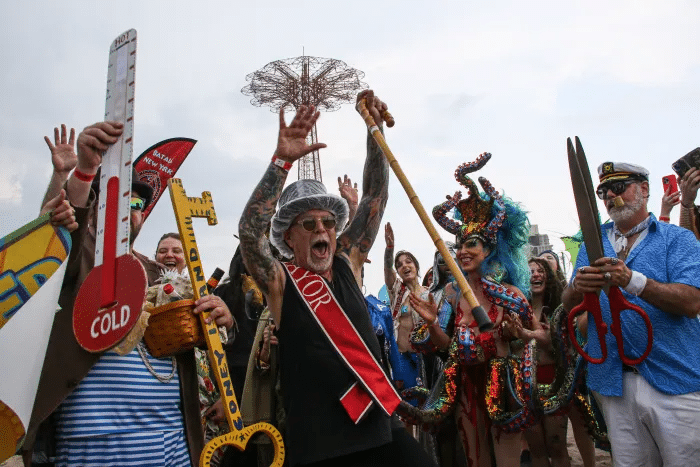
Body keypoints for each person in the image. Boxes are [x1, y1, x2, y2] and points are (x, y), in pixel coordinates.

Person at [238, 90, 437, 467]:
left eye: (328, 223)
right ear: (289, 237)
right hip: (318, 443)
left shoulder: (350, 262)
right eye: (308, 224)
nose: (322, 230)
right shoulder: (280, 281)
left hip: (377, 425)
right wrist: (281, 162)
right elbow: (250, 233)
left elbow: (376, 194)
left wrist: (374, 133)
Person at [23, 121, 232, 467]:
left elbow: (203, 330)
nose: (130, 209)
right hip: (98, 444)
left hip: (173, 443)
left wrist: (223, 316)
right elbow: (56, 242)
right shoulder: (83, 259)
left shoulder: (157, 273)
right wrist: (84, 170)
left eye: (137, 204)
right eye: (118, 199)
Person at [562, 161, 700, 465]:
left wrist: (633, 281)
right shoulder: (592, 240)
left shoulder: (677, 239)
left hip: (674, 381)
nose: (610, 195)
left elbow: (692, 302)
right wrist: (576, 289)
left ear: (644, 189)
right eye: (603, 191)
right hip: (613, 383)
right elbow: (570, 301)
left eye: (618, 186)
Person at [414, 153, 534, 467]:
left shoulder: (509, 294)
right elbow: (446, 348)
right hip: (464, 385)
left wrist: (514, 336)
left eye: (472, 245)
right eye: (459, 246)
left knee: (506, 459)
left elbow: (529, 336)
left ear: (490, 249)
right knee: (474, 458)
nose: (463, 252)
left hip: (502, 383)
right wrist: (432, 325)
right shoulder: (452, 294)